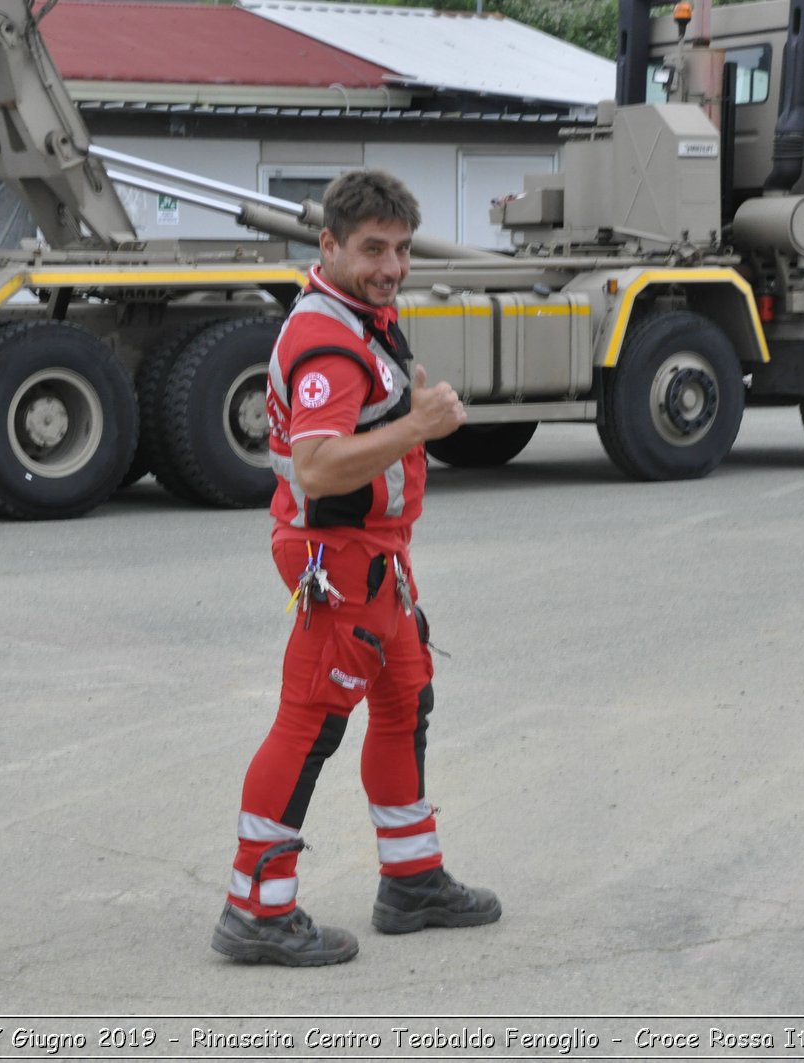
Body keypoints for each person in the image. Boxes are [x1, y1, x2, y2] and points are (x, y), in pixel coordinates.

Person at [210, 169, 501, 967]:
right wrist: (419, 425)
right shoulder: (327, 338)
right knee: (309, 724)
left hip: (377, 560)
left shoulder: (361, 314)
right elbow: (318, 466)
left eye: (403, 249)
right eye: (374, 248)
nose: (393, 266)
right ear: (329, 245)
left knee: (406, 699)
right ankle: (256, 908)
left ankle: (411, 880)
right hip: (341, 563)